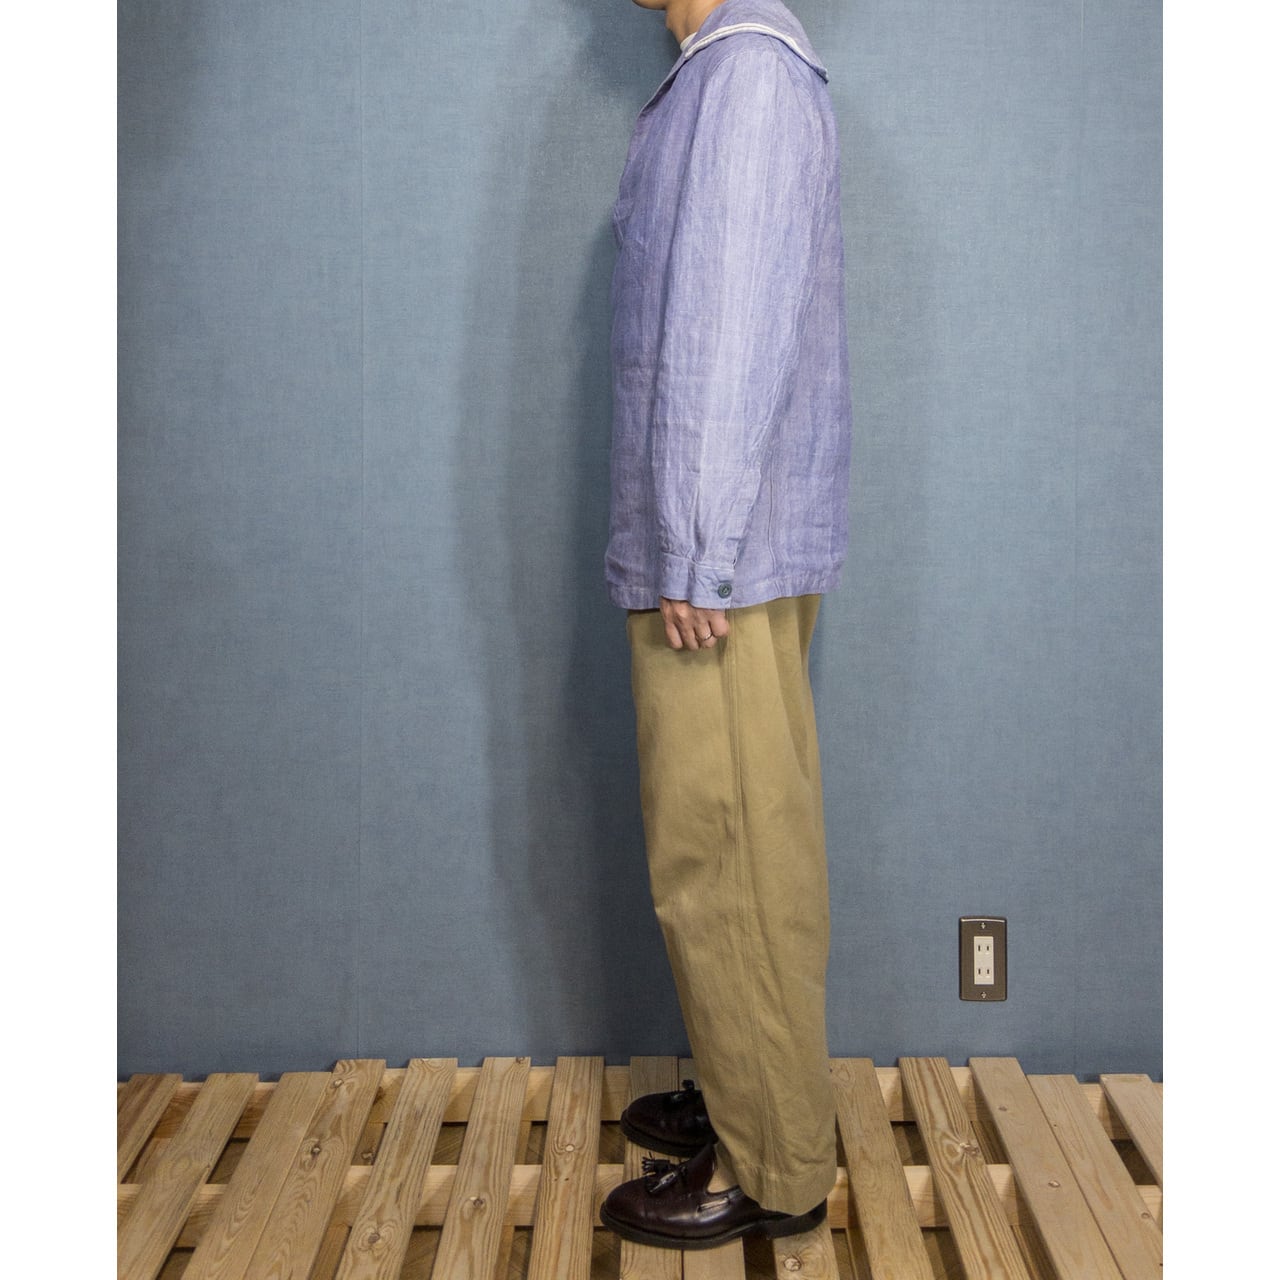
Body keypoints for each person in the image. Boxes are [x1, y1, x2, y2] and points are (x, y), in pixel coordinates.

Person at [598, 0, 854, 1253]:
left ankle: (771, 1160)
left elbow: (729, 332)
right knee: (736, 840)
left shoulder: (744, 79)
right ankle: (748, 1083)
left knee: (725, 854)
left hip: (717, 567)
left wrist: (695, 547)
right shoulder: (724, 74)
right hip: (719, 554)